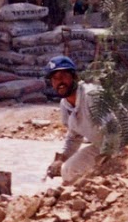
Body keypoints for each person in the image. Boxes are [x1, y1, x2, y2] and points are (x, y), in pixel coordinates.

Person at [44, 55, 106, 184]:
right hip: (102, 146)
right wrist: (62, 159)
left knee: (72, 169)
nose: (59, 82)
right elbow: (74, 137)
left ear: (74, 77)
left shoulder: (92, 96)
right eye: (55, 78)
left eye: (63, 76)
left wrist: (105, 163)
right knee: (67, 169)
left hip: (121, 144)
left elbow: (114, 128)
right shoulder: (65, 104)